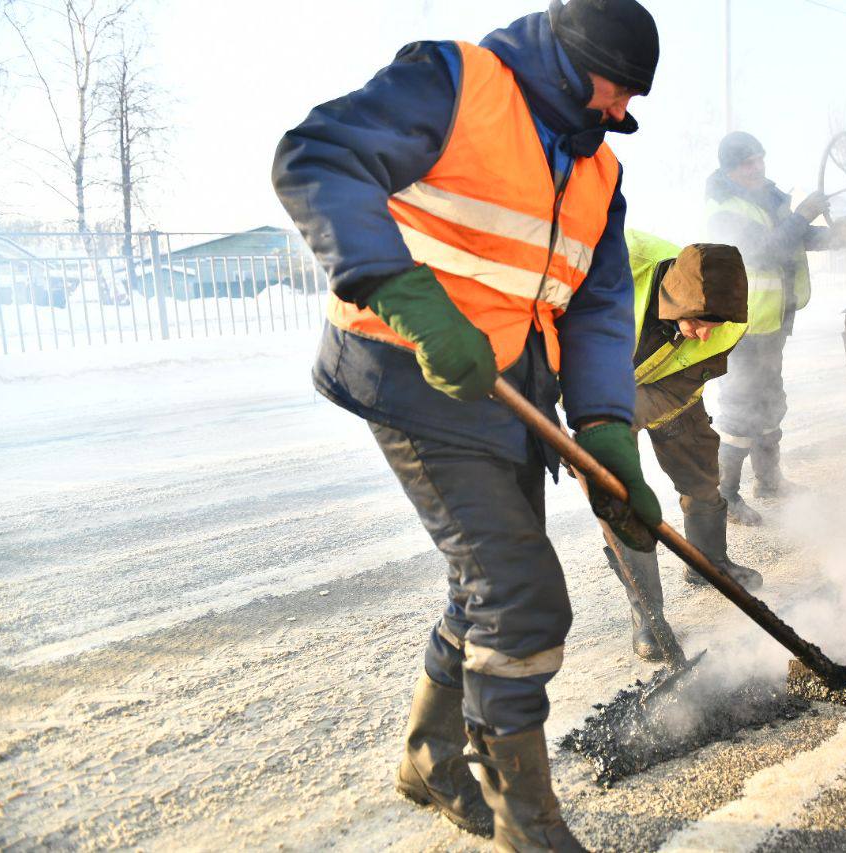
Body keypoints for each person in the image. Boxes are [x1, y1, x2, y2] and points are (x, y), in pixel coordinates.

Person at [271, 2, 660, 849]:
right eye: (617, 89)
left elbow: (596, 306)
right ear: (571, 57)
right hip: (411, 371)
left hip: (509, 389)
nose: (623, 113)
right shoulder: (458, 84)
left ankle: (429, 758)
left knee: (480, 588)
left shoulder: (599, 174)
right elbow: (317, 155)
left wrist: (605, 430)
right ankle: (527, 826)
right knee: (521, 599)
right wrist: (399, 289)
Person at [607, 231, 762, 661]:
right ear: (673, 302)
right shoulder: (614, 265)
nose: (704, 336)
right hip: (599, 393)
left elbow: (689, 377)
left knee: (700, 473)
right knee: (622, 498)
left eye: (714, 327)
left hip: (669, 391)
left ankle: (708, 562)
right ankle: (647, 612)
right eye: (696, 323)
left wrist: (634, 410)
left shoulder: (729, 320)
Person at [705, 131, 846, 525]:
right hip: (743, 325)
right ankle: (725, 496)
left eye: (760, 158)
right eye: (748, 163)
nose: (758, 167)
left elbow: (802, 238)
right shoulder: (724, 208)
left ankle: (769, 482)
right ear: (731, 170)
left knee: (771, 401)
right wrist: (804, 212)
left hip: (772, 323)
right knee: (740, 409)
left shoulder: (769, 200)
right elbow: (765, 248)